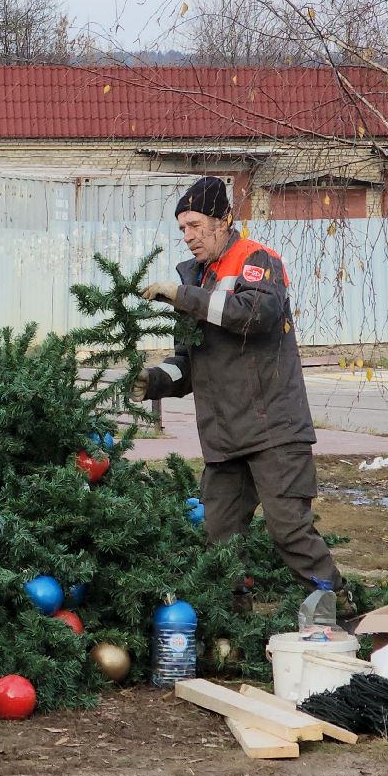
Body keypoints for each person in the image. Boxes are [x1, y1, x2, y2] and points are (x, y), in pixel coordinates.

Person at [133, 176, 342, 592]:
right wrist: (153, 381)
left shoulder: (258, 260)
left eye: (194, 225)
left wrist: (182, 296)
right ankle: (233, 629)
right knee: (219, 540)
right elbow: (189, 363)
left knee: (290, 533)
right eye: (182, 228)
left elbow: (256, 314)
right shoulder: (193, 279)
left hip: (274, 433)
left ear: (224, 218)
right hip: (225, 438)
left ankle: (339, 607)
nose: (187, 236)